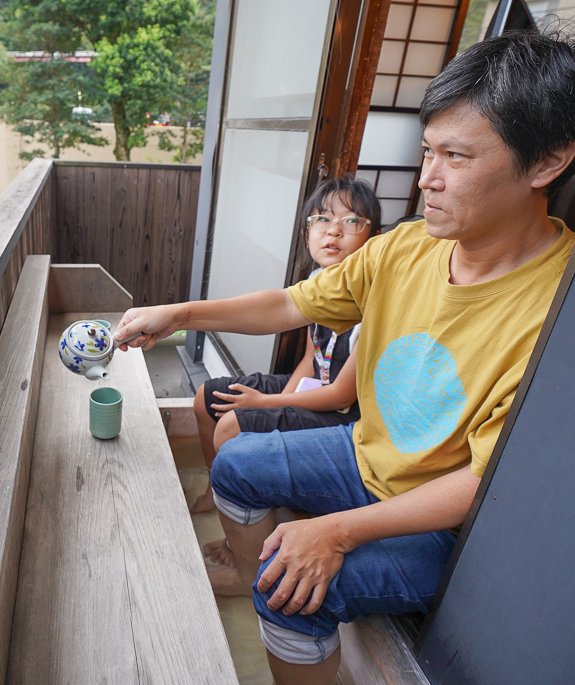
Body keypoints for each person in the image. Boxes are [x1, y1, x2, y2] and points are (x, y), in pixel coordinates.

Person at [114, 30, 575, 685]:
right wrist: (179, 313)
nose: (429, 178)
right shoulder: (405, 247)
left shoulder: (557, 313)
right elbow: (289, 306)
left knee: (287, 584)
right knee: (238, 464)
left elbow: (479, 484)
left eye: (457, 156)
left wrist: (334, 532)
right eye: (427, 151)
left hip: (439, 523)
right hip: (364, 453)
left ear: (547, 162)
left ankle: (278, 607)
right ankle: (272, 608)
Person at [190, 176, 381, 524]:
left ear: (374, 239)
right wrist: (279, 406)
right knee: (207, 397)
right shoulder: (316, 283)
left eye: (351, 220)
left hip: (345, 414)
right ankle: (215, 489)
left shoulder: (374, 302)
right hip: (316, 390)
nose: (333, 232)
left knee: (233, 425)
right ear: (307, 233)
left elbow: (341, 396)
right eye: (322, 219)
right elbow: (311, 360)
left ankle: (239, 533)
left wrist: (265, 405)